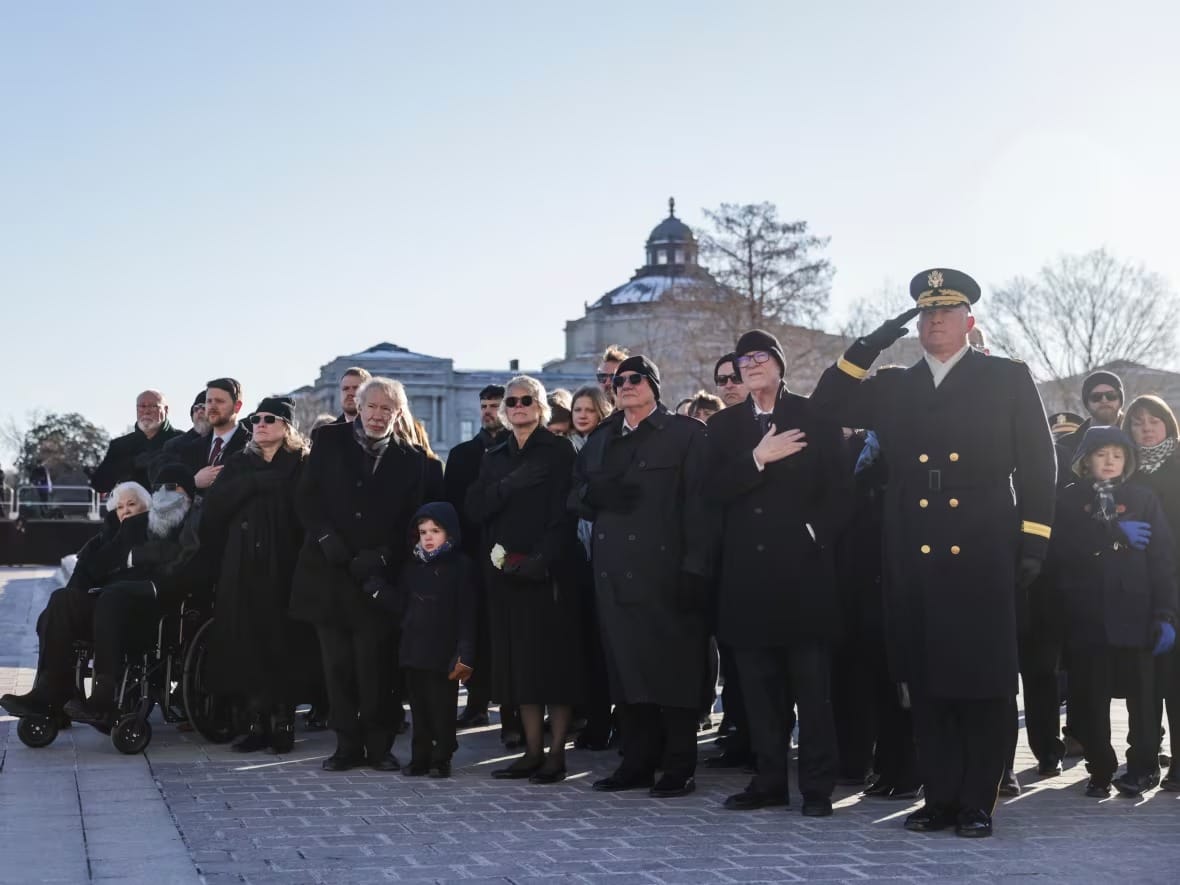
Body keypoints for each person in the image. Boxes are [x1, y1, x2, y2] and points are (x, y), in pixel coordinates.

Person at [809, 268, 1056, 838]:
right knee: (926, 680)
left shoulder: (1006, 377)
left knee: (984, 681)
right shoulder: (895, 385)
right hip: (912, 547)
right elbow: (827, 406)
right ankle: (939, 797)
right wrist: (867, 346)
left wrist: (1034, 539)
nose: (933, 321)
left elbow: (1040, 465)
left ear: (970, 321)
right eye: (924, 313)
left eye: (945, 311)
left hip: (984, 543)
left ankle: (977, 801)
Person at [706, 330, 852, 816]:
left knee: (813, 691)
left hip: (803, 575)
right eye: (743, 359)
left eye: (760, 357)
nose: (750, 365)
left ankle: (816, 788)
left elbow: (841, 491)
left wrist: (816, 534)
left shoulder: (813, 416)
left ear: (779, 365)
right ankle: (768, 782)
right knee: (759, 692)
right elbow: (711, 491)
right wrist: (756, 459)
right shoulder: (724, 428)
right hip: (747, 578)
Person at [572, 355, 713, 798]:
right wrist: (596, 493)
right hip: (614, 575)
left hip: (668, 573)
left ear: (653, 385)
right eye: (618, 380)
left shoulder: (687, 435)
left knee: (674, 674)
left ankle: (678, 768)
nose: (625, 385)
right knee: (628, 673)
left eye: (635, 378)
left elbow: (703, 508)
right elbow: (573, 495)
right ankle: (636, 762)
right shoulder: (601, 438)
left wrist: (696, 570)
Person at [289, 377, 425, 772]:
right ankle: (346, 745)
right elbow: (306, 497)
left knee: (376, 668)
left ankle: (379, 747)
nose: (378, 415)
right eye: (372, 407)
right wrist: (328, 538)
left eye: (387, 409)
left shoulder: (411, 458)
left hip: (375, 582)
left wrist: (384, 557)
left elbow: (410, 520)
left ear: (397, 414)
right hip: (329, 573)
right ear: (358, 406)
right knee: (338, 668)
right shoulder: (329, 440)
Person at [466, 375, 584, 784]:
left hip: (549, 574)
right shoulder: (495, 455)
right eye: (512, 402)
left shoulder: (559, 450)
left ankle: (555, 755)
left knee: (554, 667)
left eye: (527, 400)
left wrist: (541, 560)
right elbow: (475, 507)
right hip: (506, 574)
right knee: (521, 669)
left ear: (540, 406)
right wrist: (508, 485)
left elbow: (565, 513)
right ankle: (531, 751)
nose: (518, 407)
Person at [1050, 426, 1177, 797]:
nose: (1109, 461)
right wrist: (1112, 533)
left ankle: (1142, 767)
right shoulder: (1069, 500)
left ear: (1128, 461)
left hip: (1137, 613)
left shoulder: (1143, 498)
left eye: (1118, 455)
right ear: (1086, 459)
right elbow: (1060, 550)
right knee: (1091, 696)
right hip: (1087, 614)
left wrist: (1165, 613)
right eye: (1101, 454)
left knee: (1143, 697)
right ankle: (1100, 767)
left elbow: (1162, 560)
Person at [202, 397, 316, 754]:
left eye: (270, 418)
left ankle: (283, 723)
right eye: (256, 418)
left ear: (287, 425)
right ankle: (255, 723)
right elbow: (214, 510)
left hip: (285, 566)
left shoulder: (301, 463)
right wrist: (253, 484)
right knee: (246, 643)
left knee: (283, 644)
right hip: (242, 567)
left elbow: (308, 512)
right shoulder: (239, 462)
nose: (261, 424)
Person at [65, 464, 204, 727]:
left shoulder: (197, 518)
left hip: (168, 603)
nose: (163, 492)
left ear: (187, 492)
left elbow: (181, 559)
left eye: (171, 487)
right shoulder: (139, 523)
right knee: (65, 600)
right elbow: (103, 561)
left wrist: (134, 559)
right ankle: (51, 693)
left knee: (112, 594)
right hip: (124, 600)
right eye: (158, 488)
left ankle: (103, 695)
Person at [0, 481, 152, 720]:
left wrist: (128, 539)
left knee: (103, 601)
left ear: (147, 507)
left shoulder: (155, 536)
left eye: (132, 504)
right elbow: (81, 579)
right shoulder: (102, 541)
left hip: (135, 615)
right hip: (99, 612)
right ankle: (48, 692)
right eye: (120, 507)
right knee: (59, 603)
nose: (126, 511)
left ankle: (101, 696)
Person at [373, 502, 476, 779]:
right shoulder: (412, 567)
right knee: (418, 708)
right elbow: (402, 605)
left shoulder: (461, 567)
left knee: (442, 707)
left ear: (450, 534)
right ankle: (420, 756)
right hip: (414, 648)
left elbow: (467, 613)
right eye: (423, 531)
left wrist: (465, 653)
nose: (428, 537)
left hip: (444, 652)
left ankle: (442, 756)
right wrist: (378, 592)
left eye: (435, 531)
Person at [1122, 394, 1180, 790]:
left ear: (1168, 423)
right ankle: (1142, 765)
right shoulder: (1122, 472)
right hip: (1137, 590)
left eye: (1153, 420)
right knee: (1141, 681)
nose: (1146, 427)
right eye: (1137, 422)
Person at [443, 385, 505, 730]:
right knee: (473, 629)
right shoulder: (462, 454)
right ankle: (476, 701)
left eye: (494, 405)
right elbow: (452, 504)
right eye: (483, 405)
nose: (487, 411)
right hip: (471, 553)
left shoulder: (514, 451)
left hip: (507, 553)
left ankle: (507, 707)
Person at [568, 384, 615, 750]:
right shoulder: (566, 449)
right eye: (577, 409)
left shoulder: (610, 443)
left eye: (588, 409)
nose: (581, 415)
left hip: (608, 551)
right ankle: (595, 720)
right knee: (587, 648)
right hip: (577, 558)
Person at [88, 390, 185, 493]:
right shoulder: (120, 445)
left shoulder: (183, 441)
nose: (147, 411)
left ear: (165, 409)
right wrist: (131, 464)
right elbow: (100, 485)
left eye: (153, 406)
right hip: (129, 508)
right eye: (142, 406)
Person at [173, 378, 250, 493]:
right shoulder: (190, 449)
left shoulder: (252, 446)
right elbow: (173, 494)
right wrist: (193, 482)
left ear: (237, 406)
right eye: (209, 401)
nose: (212, 407)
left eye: (219, 401)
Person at [1057, 370, 1126, 462]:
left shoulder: (1137, 439)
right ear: (1087, 403)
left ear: (1120, 400)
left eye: (1111, 395)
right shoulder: (1066, 446)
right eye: (1096, 397)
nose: (1104, 400)